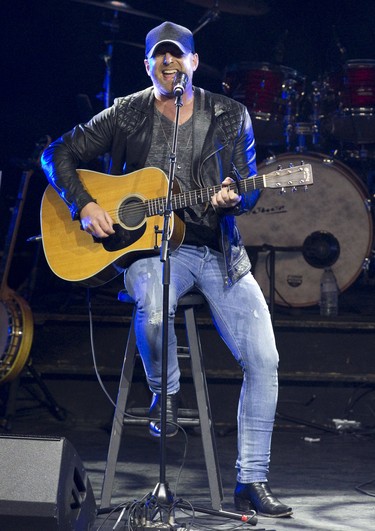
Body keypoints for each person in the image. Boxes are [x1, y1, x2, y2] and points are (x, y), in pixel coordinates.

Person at [41, 21, 292, 518]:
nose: (169, 63)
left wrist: (236, 195)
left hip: (220, 254)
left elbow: (250, 185)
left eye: (178, 56)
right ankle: (167, 397)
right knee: (153, 309)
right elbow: (57, 154)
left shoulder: (231, 115)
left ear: (195, 63)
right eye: (160, 56)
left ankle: (252, 480)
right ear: (148, 65)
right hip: (153, 252)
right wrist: (84, 205)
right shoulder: (129, 112)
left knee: (265, 359)